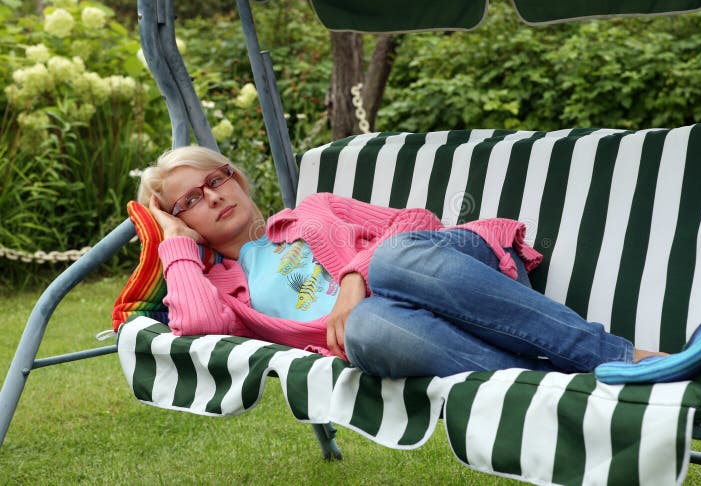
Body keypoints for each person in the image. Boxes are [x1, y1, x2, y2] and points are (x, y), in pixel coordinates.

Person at [138, 145, 664, 379]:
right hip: (405, 331)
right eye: (189, 202)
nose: (211, 197)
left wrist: (351, 279)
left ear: (236, 178)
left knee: (388, 261)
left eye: (216, 179)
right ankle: (554, 389)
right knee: (366, 329)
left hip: (453, 276)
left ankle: (618, 356)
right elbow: (197, 323)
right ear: (184, 221)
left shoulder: (313, 210)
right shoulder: (229, 291)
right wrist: (174, 239)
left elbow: (416, 222)